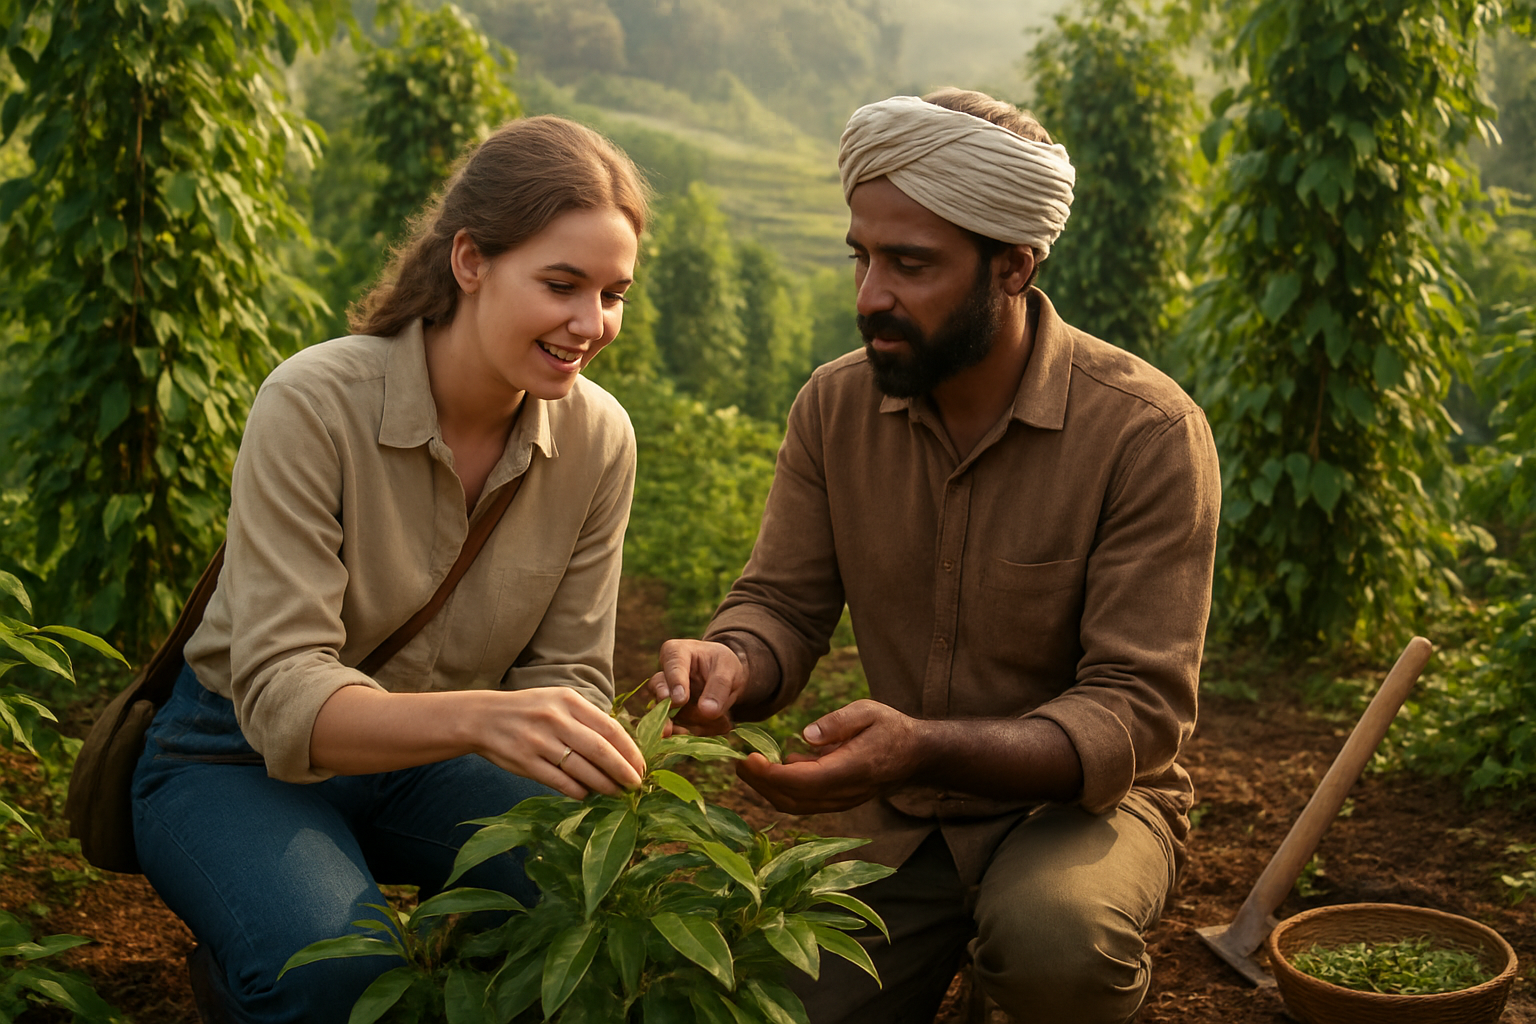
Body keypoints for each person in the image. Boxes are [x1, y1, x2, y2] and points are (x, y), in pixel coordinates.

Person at [649, 90, 1221, 1024]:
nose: (871, 294)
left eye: (910, 264)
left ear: (1013, 265)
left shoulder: (1146, 433)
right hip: (904, 822)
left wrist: (921, 746)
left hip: (1084, 812)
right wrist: (732, 663)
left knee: (1053, 945)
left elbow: (1136, 710)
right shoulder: (834, 410)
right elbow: (782, 607)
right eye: (863, 257)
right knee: (759, 1000)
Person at [131, 116, 650, 1023]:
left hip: (435, 759)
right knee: (337, 973)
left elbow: (569, 673)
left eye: (613, 294)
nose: (589, 324)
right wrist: (488, 720)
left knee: (581, 911)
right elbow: (285, 695)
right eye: (561, 284)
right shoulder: (316, 403)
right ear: (470, 261)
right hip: (237, 754)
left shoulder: (598, 439)